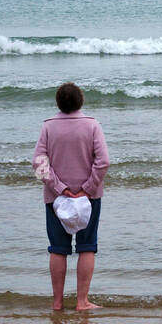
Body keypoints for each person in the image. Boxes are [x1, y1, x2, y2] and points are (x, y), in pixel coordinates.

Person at [33, 82, 109, 311]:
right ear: (81, 101)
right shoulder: (92, 125)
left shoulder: (48, 127)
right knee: (87, 246)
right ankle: (81, 301)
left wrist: (60, 188)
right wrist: (87, 187)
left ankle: (57, 302)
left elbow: (38, 162)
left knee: (58, 248)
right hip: (89, 197)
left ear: (58, 103)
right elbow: (103, 161)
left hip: (56, 198)